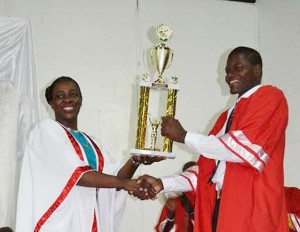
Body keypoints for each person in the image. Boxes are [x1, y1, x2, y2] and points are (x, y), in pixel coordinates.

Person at [137, 46, 289, 232]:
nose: (229, 75)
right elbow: (207, 171)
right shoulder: (226, 116)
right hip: (220, 206)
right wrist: (163, 183)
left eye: (237, 68)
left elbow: (245, 149)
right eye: (227, 71)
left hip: (251, 204)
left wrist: (184, 136)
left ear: (256, 70)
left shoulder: (270, 97)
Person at [15, 76, 161, 232]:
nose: (68, 100)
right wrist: (127, 184)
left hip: (90, 222)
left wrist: (135, 160)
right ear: (51, 103)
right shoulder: (45, 130)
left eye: (73, 94)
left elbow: (116, 178)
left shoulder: (92, 142)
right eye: (60, 96)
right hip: (60, 224)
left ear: (80, 99)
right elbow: (78, 175)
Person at [155, 161, 196, 232]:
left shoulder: (206, 201)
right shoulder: (174, 201)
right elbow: (162, 230)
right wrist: (171, 216)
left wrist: (191, 213)